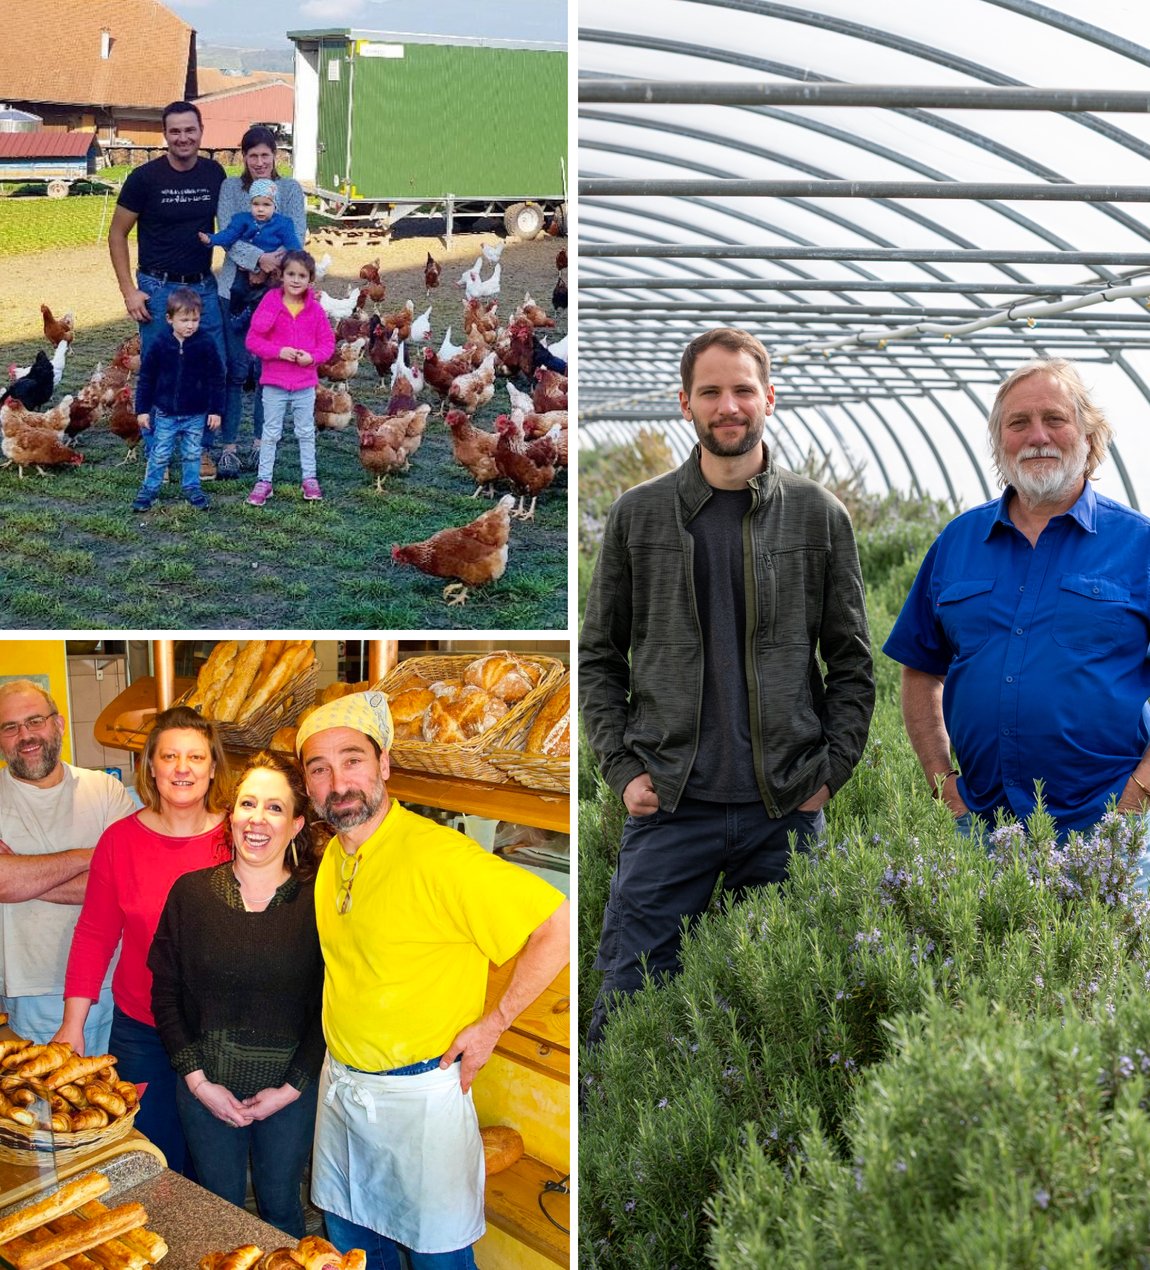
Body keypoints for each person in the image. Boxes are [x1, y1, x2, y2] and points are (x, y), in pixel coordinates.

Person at [579, 326, 875, 1045]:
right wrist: (622, 770)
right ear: (686, 404)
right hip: (672, 806)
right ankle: (610, 1144)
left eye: (743, 389)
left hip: (784, 811)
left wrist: (828, 774)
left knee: (781, 1009)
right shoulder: (638, 516)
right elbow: (596, 657)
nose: (729, 405)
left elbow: (853, 663)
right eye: (711, 391)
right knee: (628, 1003)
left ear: (769, 398)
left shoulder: (818, 516)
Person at [296, 691, 570, 1270]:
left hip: (419, 1100)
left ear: (385, 765)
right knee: (352, 1254)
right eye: (318, 768)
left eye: (352, 760)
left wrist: (495, 1024)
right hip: (344, 1092)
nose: (336, 780)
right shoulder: (334, 859)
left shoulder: (439, 857)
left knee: (438, 1260)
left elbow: (559, 924)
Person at [883, 357, 1150, 839]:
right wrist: (943, 784)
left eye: (1055, 419)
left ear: (1089, 434)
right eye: (1019, 423)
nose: (1037, 436)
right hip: (982, 825)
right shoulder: (958, 542)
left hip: (1110, 827)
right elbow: (921, 668)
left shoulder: (1138, 545)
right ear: (999, 442)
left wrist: (1138, 794)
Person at [150, 751, 324, 1236]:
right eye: (248, 804)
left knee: (282, 1210)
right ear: (230, 818)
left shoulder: (318, 902)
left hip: (289, 1094)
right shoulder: (191, 895)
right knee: (217, 1216)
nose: (258, 819)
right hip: (205, 1090)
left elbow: (329, 1006)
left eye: (275, 808)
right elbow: (164, 994)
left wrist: (291, 1089)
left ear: (295, 825)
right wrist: (199, 1083)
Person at [57, 706, 230, 1174]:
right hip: (141, 1031)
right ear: (150, 766)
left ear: (213, 768)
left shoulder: (241, 836)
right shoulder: (120, 841)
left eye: (195, 757)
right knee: (149, 1163)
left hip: (220, 1034)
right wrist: (73, 1025)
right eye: (169, 756)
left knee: (214, 1170)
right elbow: (94, 935)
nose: (182, 768)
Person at [0, 680, 135, 1052]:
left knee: (118, 1103)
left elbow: (124, 881)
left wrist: (23, 877)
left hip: (111, 982)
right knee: (50, 1107)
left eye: (35, 721)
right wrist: (93, 856)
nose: (25, 735)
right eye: (10, 727)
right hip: (31, 990)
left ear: (58, 724)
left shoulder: (105, 791)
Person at [108, 100, 226, 483]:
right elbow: (117, 234)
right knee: (161, 371)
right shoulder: (144, 179)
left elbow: (232, 227)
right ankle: (157, 450)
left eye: (189, 130)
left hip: (202, 286)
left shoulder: (214, 173)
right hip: (157, 289)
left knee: (210, 368)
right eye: (175, 131)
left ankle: (202, 451)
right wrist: (130, 290)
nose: (183, 138)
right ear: (165, 135)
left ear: (201, 131)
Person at [210, 129, 307, 480]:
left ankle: (261, 444)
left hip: (276, 293)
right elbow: (228, 236)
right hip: (233, 290)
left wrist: (274, 264)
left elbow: (299, 236)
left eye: (266, 155)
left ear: (276, 156)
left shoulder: (291, 190)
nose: (260, 162)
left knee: (268, 371)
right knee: (234, 371)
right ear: (244, 157)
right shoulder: (231, 190)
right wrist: (258, 259)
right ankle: (229, 447)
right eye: (253, 156)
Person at [244, 249, 335, 506]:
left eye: (302, 275)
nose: (296, 280)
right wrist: (278, 351)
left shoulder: (315, 310)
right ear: (281, 276)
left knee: (305, 431)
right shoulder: (270, 303)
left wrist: (313, 357)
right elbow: (254, 339)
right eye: (291, 274)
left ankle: (309, 477)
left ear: (311, 279)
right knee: (270, 432)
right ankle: (264, 481)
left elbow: (327, 343)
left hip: (304, 384)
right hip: (274, 382)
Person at [131, 288, 225, 513]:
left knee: (192, 453)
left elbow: (217, 378)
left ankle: (192, 487)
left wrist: (216, 410)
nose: (190, 325)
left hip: (196, 413)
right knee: (160, 453)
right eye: (184, 320)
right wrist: (142, 409)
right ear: (169, 319)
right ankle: (149, 489)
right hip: (165, 414)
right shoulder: (160, 344)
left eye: (195, 319)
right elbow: (146, 379)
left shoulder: (206, 343)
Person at [200, 179, 301, 328]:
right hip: (245, 266)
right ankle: (237, 314)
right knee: (237, 289)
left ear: (275, 206)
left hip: (272, 269)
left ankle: (263, 318)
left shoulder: (283, 223)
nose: (260, 209)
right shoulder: (242, 220)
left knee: (269, 295)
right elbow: (229, 236)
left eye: (266, 205)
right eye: (256, 204)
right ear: (250, 205)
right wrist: (211, 239)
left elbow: (293, 245)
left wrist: (294, 262)